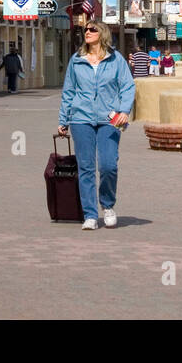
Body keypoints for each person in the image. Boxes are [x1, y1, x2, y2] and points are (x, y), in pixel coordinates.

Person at [57, 21, 136, 231]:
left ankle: (108, 205)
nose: (88, 32)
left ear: (102, 34)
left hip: (109, 119)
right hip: (80, 118)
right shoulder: (77, 60)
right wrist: (63, 120)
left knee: (109, 165)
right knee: (86, 167)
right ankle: (90, 214)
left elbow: (128, 86)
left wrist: (124, 111)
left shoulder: (115, 59)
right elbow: (69, 91)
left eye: (93, 29)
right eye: (86, 30)